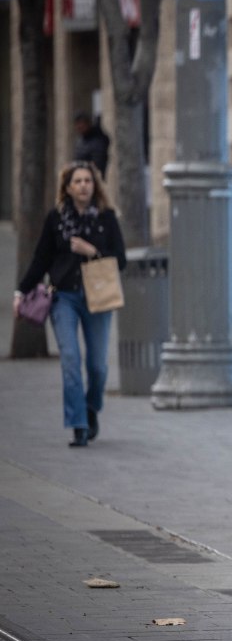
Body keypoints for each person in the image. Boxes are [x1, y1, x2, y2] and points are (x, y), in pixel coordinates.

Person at [13, 161, 126, 447]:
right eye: (77, 181)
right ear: (67, 187)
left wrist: (93, 251)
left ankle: (91, 409)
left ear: (95, 185)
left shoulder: (106, 218)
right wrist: (20, 291)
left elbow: (120, 260)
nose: (84, 186)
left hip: (98, 297)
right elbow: (41, 259)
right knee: (71, 361)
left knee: (98, 365)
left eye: (88, 181)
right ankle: (78, 424)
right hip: (64, 297)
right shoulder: (55, 220)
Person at [72, 112, 111, 180]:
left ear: (88, 123)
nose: (79, 127)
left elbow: (97, 165)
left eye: (81, 123)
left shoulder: (98, 140)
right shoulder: (81, 141)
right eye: (77, 124)